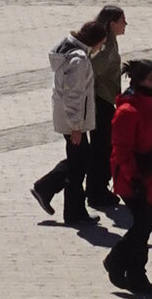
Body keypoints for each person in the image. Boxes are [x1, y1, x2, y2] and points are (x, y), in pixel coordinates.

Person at [104, 57, 152, 295]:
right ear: (139, 80)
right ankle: (116, 261)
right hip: (133, 180)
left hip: (151, 178)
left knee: (144, 228)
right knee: (142, 226)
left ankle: (136, 275)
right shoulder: (127, 112)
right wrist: (133, 180)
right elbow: (121, 151)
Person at [30, 14, 102, 226]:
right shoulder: (78, 60)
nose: (102, 47)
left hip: (71, 121)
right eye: (102, 43)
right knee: (78, 166)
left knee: (80, 160)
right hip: (73, 123)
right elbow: (73, 95)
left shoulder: (69, 49)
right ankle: (72, 211)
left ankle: (47, 188)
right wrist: (76, 127)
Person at [86, 2, 127, 211]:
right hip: (101, 101)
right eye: (122, 21)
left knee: (102, 147)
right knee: (102, 149)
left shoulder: (110, 42)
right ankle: (96, 192)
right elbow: (92, 68)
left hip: (104, 100)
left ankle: (98, 189)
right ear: (112, 24)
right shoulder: (106, 46)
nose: (126, 24)